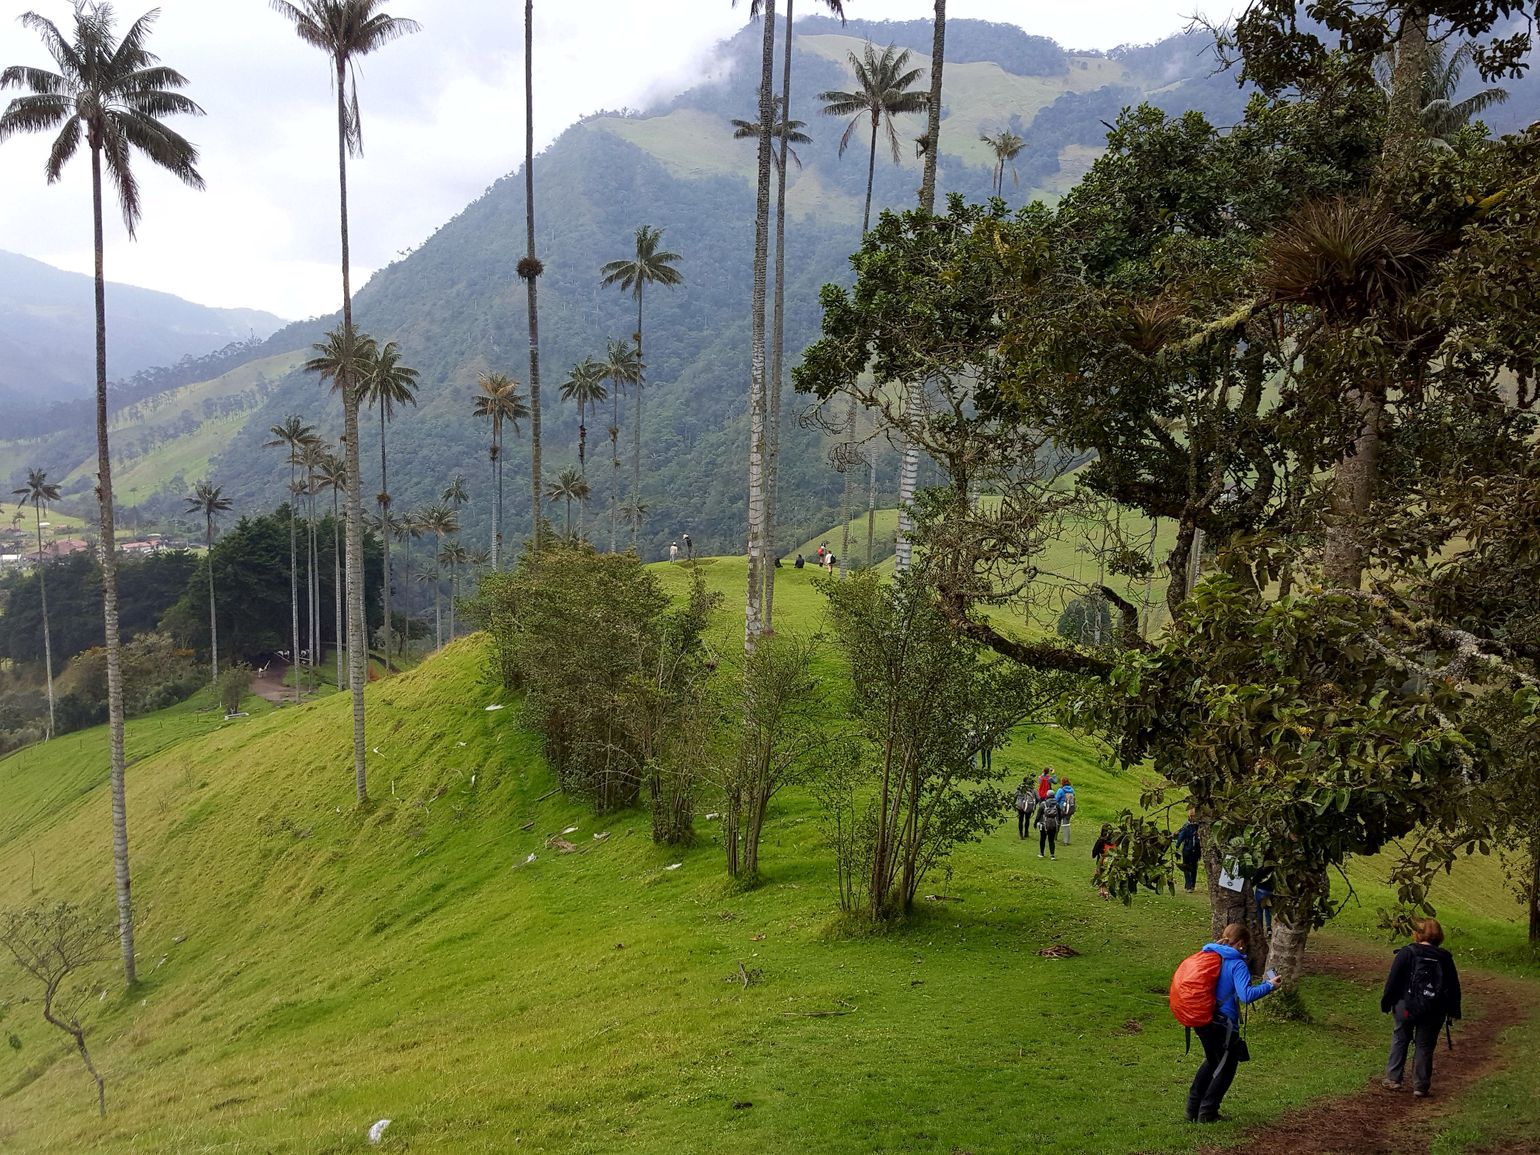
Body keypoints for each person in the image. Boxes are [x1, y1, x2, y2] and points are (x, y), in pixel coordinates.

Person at [1186, 923, 1281, 1124]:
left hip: (1202, 1017)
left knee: (1212, 1061)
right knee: (1226, 1068)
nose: (1244, 949)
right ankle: (1207, 1112)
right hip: (1223, 1023)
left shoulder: (1211, 954)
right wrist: (1269, 986)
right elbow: (1245, 996)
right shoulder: (1237, 963)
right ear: (1240, 943)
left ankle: (1192, 1108)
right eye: (1244, 946)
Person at [1381, 918, 1461, 1098]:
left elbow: (1393, 980)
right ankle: (1421, 1086)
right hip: (1434, 1009)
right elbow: (1453, 987)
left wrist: (1387, 1002)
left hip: (1406, 1007)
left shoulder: (1406, 953)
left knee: (1400, 1037)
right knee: (1425, 1045)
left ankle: (1393, 1078)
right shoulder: (1445, 958)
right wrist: (1454, 1010)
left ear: (1416, 932)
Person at [1174, 810, 1201, 892]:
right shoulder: (1189, 826)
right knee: (1189, 867)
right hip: (1190, 849)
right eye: (1193, 816)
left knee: (1191, 867)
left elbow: (1181, 836)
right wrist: (1178, 844)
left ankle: (1191, 885)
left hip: (1193, 850)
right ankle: (1190, 885)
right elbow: (1181, 836)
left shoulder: (1195, 826)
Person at [1035, 789, 1062, 859]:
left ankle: (1041, 853)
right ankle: (1052, 855)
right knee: (1051, 840)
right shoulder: (1057, 805)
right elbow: (1060, 816)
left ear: (1047, 795)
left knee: (1042, 839)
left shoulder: (1043, 804)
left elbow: (1038, 815)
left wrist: (1035, 823)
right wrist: (1058, 823)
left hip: (1044, 825)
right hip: (1053, 825)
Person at [1054, 779, 1076, 845]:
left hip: (1061, 809)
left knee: (1057, 822)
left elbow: (1056, 799)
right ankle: (1066, 841)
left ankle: (1055, 836)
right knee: (1066, 825)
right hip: (1069, 810)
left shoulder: (1061, 790)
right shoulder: (1072, 790)